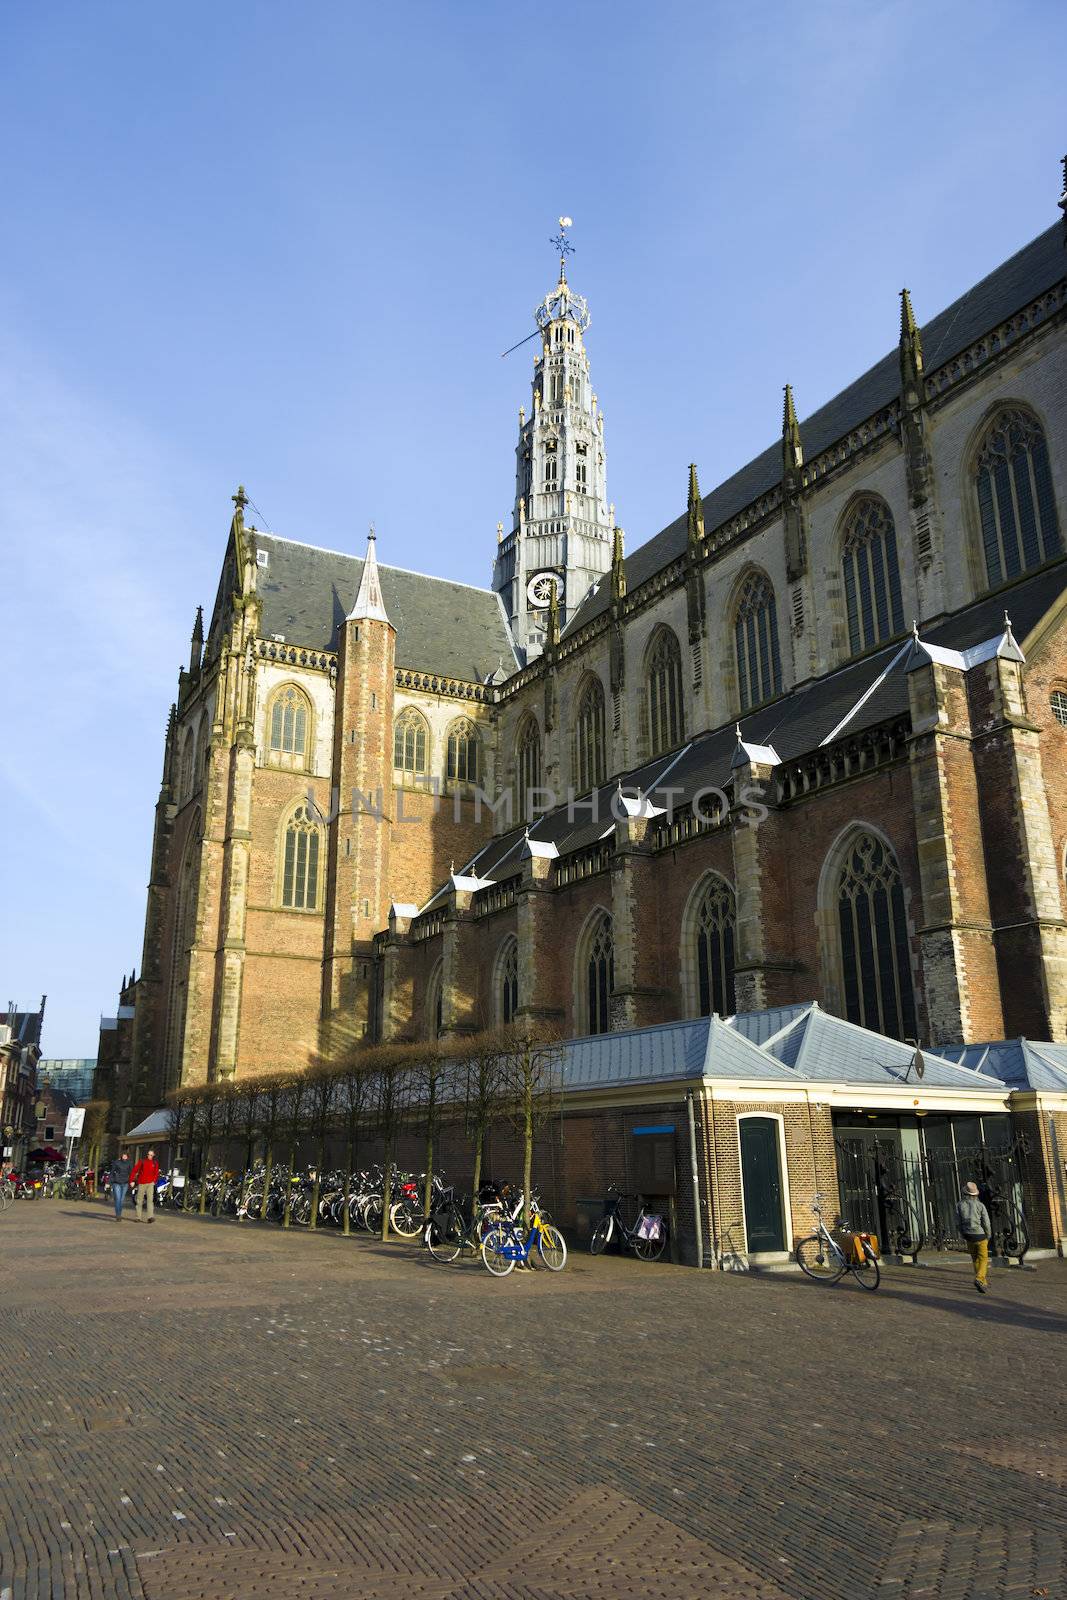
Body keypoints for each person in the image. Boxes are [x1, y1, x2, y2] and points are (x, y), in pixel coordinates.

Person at [956, 1180, 992, 1293]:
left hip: (968, 1235)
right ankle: (979, 1278)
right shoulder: (980, 1205)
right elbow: (986, 1222)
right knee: (983, 1259)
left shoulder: (959, 1205)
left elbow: (957, 1223)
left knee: (975, 1259)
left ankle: (983, 1282)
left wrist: (963, 1233)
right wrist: (988, 1234)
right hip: (980, 1235)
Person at [130, 1149, 160, 1223]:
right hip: (142, 1183)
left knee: (150, 1200)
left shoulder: (155, 1163)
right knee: (139, 1200)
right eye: (148, 1154)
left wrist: (154, 1181)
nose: (149, 1156)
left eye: (151, 1155)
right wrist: (131, 1180)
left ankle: (150, 1217)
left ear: (153, 1156)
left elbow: (156, 1173)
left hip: (150, 1184)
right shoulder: (142, 1161)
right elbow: (134, 1170)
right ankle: (138, 1217)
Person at [109, 1151, 133, 1221]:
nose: (124, 1156)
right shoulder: (116, 1162)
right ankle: (118, 1216)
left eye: (126, 1155)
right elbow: (112, 1172)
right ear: (121, 1155)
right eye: (123, 1155)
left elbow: (131, 1173)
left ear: (127, 1156)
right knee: (118, 1199)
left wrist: (132, 1181)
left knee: (121, 1200)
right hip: (117, 1183)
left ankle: (119, 1213)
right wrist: (109, 1182)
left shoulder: (129, 1163)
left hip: (125, 1183)